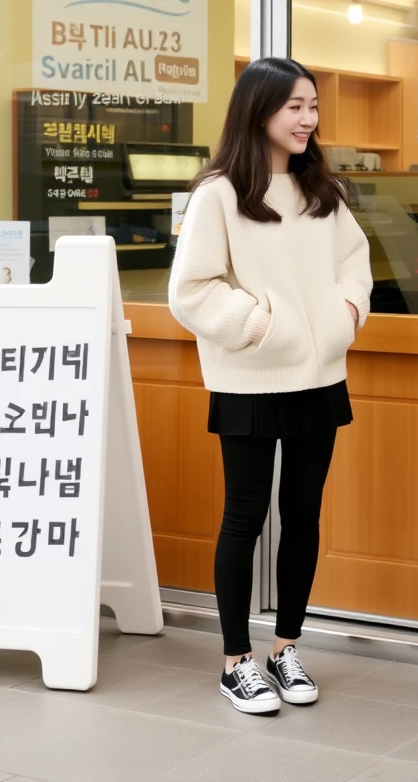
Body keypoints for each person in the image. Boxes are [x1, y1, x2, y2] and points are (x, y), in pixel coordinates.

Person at [169, 57, 372, 716]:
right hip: (249, 380)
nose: (308, 119)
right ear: (259, 110)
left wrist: (342, 319)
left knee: (304, 516)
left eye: (313, 105)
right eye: (295, 106)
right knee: (244, 518)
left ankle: (285, 648)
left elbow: (355, 267)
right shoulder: (219, 193)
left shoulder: (324, 192)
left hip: (319, 378)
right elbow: (191, 289)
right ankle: (236, 662)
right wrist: (262, 327)